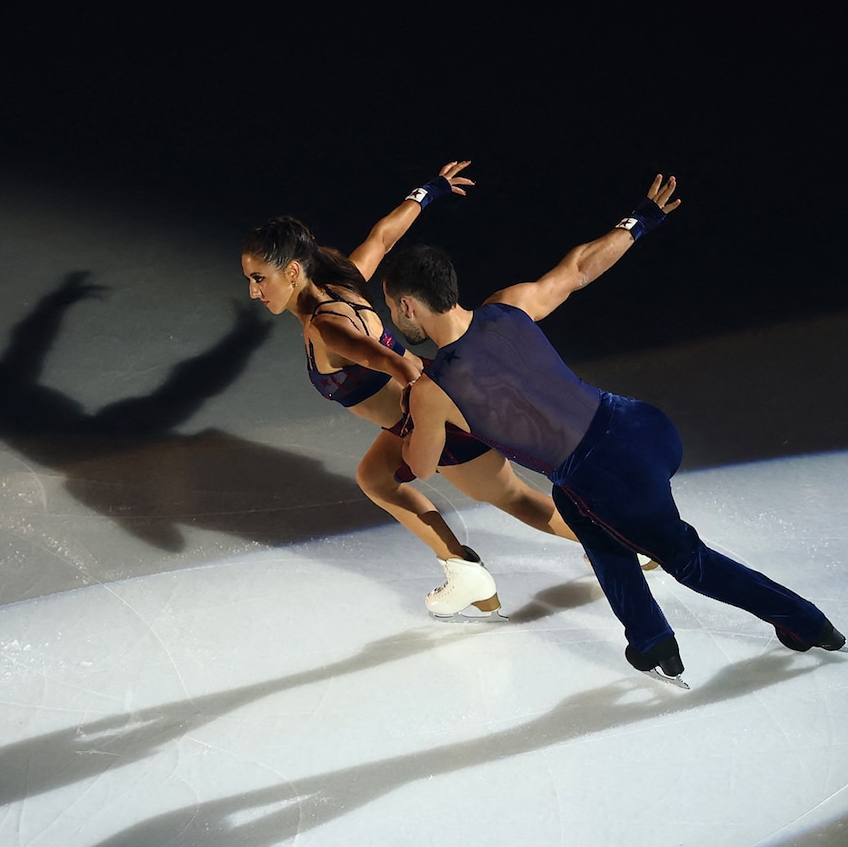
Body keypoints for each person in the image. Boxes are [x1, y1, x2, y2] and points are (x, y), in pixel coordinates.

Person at [383, 173, 848, 686]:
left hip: (609, 476)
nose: (391, 314)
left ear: (409, 305)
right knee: (574, 507)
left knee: (686, 559)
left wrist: (412, 414)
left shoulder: (434, 389)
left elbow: (422, 466)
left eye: (390, 305)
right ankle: (649, 638)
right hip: (642, 425)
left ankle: (806, 622)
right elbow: (579, 268)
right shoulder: (507, 305)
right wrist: (639, 220)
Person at [242, 162, 627, 622]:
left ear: (290, 273)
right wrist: (429, 191)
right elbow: (383, 237)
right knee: (375, 477)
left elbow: (397, 362)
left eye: (259, 278)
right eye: (248, 279)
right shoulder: (341, 281)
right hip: (416, 416)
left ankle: (624, 544)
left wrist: (433, 416)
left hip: (435, 420)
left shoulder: (326, 327)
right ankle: (464, 569)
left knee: (515, 499)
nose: (252, 291)